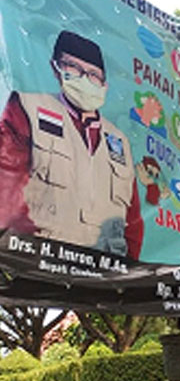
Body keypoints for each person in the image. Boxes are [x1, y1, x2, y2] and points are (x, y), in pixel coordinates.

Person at [0, 30, 143, 258]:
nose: (85, 78)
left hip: (102, 280)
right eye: (73, 67)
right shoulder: (28, 109)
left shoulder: (119, 141)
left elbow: (132, 222)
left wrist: (124, 278)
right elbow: (6, 187)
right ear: (56, 68)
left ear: (104, 84)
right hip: (38, 269)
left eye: (94, 74)